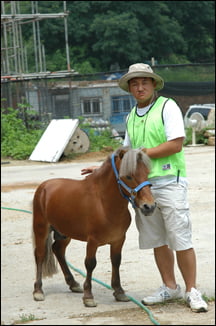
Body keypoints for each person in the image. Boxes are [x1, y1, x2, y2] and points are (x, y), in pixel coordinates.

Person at [81, 63, 208, 313]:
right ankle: (169, 287)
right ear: (129, 88)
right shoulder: (130, 117)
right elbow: (124, 154)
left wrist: (142, 153)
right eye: (134, 83)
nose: (139, 87)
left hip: (170, 181)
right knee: (157, 239)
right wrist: (101, 169)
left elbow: (175, 144)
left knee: (180, 238)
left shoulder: (167, 107)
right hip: (141, 188)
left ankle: (192, 291)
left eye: (144, 82)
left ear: (153, 85)